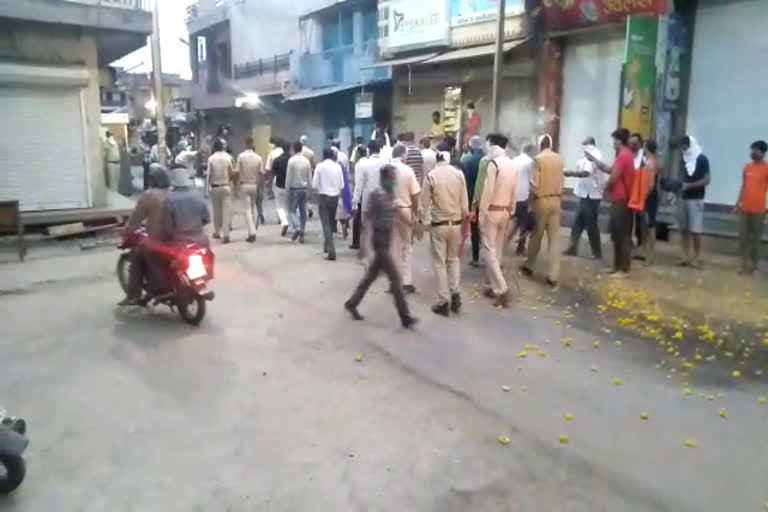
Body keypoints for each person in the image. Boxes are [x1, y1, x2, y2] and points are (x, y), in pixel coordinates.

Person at [344, 165, 418, 329]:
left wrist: (414, 226)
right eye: (391, 178)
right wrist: (363, 246)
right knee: (396, 279)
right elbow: (367, 221)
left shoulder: (391, 195)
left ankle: (352, 303)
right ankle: (405, 317)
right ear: (384, 179)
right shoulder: (376, 196)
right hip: (379, 241)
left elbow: (399, 214)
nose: (393, 181)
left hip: (386, 239)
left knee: (370, 277)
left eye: (394, 178)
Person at [420, 142, 469, 316]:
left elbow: (423, 204)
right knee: (453, 260)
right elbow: (465, 205)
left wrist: (424, 223)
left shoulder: (431, 175)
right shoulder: (459, 174)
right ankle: (455, 293)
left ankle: (443, 301)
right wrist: (464, 223)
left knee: (439, 263)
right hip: (456, 224)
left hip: (439, 225)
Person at [585, 128, 636, 277]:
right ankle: (617, 267)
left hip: (622, 200)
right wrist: (593, 160)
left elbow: (613, 177)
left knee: (622, 235)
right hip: (618, 200)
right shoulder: (624, 155)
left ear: (619, 141)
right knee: (617, 235)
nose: (613, 143)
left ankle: (623, 269)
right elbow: (609, 169)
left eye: (614, 140)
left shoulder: (624, 155)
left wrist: (603, 187)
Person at [118, 164, 170, 305]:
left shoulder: (149, 195)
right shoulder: (172, 192)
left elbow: (135, 219)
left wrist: (127, 230)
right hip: (175, 238)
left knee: (137, 257)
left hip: (157, 239)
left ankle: (134, 295)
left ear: (151, 179)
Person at [478, 134, 518, 307]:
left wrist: (481, 214)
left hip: (492, 211)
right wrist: (511, 209)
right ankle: (494, 287)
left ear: (492, 145)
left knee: (488, 251)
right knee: (498, 250)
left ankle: (502, 289)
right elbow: (514, 191)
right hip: (505, 211)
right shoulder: (511, 164)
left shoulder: (493, 164)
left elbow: (487, 192)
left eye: (488, 144)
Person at [520, 134, 565, 286]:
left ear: (540, 145)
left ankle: (529, 265)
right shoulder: (559, 159)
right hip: (556, 200)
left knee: (536, 236)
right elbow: (562, 183)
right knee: (554, 240)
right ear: (550, 144)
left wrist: (530, 205)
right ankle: (554, 275)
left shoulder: (537, 160)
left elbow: (534, 185)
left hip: (541, 201)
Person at [564, 136, 605, 259]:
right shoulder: (586, 157)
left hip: (592, 196)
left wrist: (571, 173)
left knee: (591, 224)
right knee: (577, 223)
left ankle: (597, 252)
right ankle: (573, 247)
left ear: (590, 145)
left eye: (585, 145)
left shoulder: (595, 155)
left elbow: (586, 173)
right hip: (584, 194)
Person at [391, 144, 421, 293]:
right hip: (405, 210)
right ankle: (406, 282)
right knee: (407, 246)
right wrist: (415, 214)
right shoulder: (408, 171)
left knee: (394, 247)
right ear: (403, 155)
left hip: (390, 212)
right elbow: (415, 195)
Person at [735, 140, 768, 274]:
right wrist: (738, 202)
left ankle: (753, 266)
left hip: (759, 210)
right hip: (745, 208)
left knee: (755, 239)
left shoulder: (766, 168)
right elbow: (743, 185)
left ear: (762, 152)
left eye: (755, 150)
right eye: (751, 150)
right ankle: (743, 264)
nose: (752, 153)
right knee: (743, 237)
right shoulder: (747, 167)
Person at [677, 135, 710, 268]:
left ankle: (698, 257)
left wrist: (690, 186)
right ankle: (685, 256)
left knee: (695, 230)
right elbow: (682, 176)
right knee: (684, 230)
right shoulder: (683, 159)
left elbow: (707, 180)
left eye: (685, 146)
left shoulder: (702, 159)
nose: (683, 149)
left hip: (696, 198)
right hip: (683, 197)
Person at [353, 140, 387, 257]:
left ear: (369, 149)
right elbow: (391, 183)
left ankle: (369, 254)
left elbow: (359, 185)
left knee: (367, 229)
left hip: (368, 201)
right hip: (384, 200)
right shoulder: (386, 163)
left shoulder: (363, 165)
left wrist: (355, 203)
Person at [166, 165, 211, 246]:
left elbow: (168, 224)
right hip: (200, 240)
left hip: (178, 242)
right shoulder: (198, 195)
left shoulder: (170, 199)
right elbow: (206, 219)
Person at [313, 148, 344, 260]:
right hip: (334, 198)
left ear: (323, 155)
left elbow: (315, 184)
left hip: (323, 197)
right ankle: (326, 246)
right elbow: (342, 185)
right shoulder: (338, 167)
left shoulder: (320, 166)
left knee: (326, 225)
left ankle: (331, 252)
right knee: (331, 223)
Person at [507, 143, 536, 256]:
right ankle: (520, 247)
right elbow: (532, 181)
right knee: (523, 223)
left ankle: (503, 242)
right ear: (530, 151)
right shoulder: (530, 162)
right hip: (523, 196)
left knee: (511, 220)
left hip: (511, 195)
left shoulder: (513, 161)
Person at [461, 135, 485, 266]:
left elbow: (464, 181)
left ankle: (475, 257)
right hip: (488, 198)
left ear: (471, 146)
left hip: (472, 198)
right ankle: (489, 256)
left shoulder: (467, 160)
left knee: (474, 228)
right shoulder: (488, 160)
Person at [235, 137, 264, 243]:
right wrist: (260, 184)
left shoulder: (241, 157)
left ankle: (252, 232)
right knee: (252, 208)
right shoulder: (258, 157)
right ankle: (252, 229)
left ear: (245, 144)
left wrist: (236, 184)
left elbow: (237, 171)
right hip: (254, 185)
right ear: (252, 144)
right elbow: (262, 172)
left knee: (247, 210)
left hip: (244, 185)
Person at [206, 139, 234, 243]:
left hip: (215, 187)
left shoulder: (211, 159)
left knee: (216, 211)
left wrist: (207, 189)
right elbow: (232, 173)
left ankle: (217, 232)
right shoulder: (228, 158)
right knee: (226, 211)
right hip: (226, 186)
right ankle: (226, 234)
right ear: (222, 147)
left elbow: (209, 174)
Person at [286, 141, 312, 243]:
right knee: (303, 211)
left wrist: (287, 189)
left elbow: (288, 177)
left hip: (294, 189)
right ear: (301, 149)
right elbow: (309, 177)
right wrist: (310, 190)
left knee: (292, 210)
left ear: (293, 149)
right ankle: (302, 231)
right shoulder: (306, 161)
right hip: (304, 189)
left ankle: (297, 228)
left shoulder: (291, 161)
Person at [332, 141, 353, 239]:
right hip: (344, 187)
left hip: (334, 189)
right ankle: (345, 223)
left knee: (335, 210)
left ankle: (336, 227)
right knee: (344, 207)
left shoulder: (332, 166)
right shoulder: (344, 157)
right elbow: (348, 169)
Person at [349, 145, 368, 250]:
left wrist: (355, 200)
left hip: (362, 196)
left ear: (358, 154)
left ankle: (356, 242)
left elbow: (358, 183)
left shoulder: (359, 165)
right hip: (371, 195)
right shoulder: (369, 163)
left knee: (357, 220)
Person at [272, 141, 291, 236]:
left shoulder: (277, 160)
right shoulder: (292, 159)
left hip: (279, 184)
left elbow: (273, 172)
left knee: (279, 205)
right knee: (287, 206)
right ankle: (288, 220)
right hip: (289, 186)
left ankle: (284, 222)